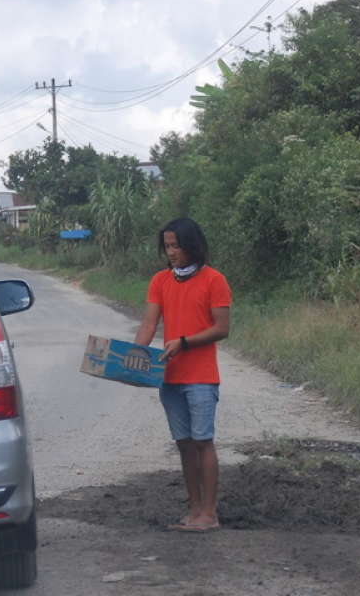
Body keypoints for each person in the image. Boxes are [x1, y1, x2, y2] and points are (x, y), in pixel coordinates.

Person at [134, 218, 231, 532]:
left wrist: (185, 342)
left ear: (192, 245)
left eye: (176, 245)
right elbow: (149, 325)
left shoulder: (214, 280)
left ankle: (209, 513)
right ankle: (193, 509)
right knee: (184, 444)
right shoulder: (160, 281)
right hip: (170, 378)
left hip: (201, 376)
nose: (171, 252)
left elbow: (221, 328)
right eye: (167, 246)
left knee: (203, 442)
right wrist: (133, 356)